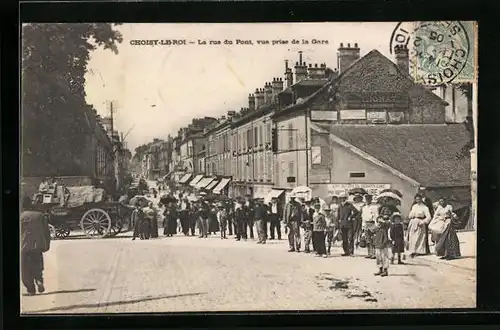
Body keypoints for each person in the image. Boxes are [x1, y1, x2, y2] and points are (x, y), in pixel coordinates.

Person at [21, 196, 51, 295]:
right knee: (37, 265)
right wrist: (47, 244)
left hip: (25, 246)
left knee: (25, 269)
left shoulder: (22, 216)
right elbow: (46, 232)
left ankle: (31, 289)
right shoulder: (40, 216)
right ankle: (39, 280)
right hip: (38, 246)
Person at [361, 194, 379, 259]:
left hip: (372, 224)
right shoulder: (364, 208)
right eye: (366, 199)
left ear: (371, 199)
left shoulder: (374, 207)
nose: (367, 200)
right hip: (366, 224)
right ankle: (369, 253)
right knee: (367, 240)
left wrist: (376, 225)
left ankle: (374, 254)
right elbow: (363, 217)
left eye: (368, 199)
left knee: (373, 239)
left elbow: (375, 216)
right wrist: (363, 226)